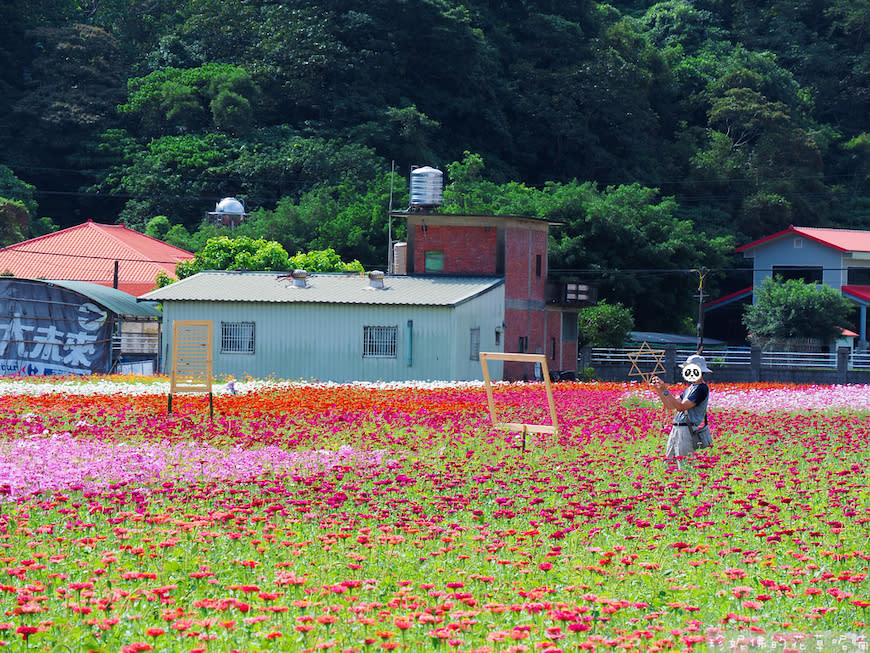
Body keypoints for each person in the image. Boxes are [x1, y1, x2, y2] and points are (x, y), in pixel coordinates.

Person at [649, 354, 711, 470]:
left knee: (684, 465)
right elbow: (671, 406)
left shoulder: (701, 389)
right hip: (677, 428)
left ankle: (687, 486)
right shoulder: (690, 388)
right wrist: (660, 391)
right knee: (669, 463)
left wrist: (665, 390)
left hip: (687, 430)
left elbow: (681, 407)